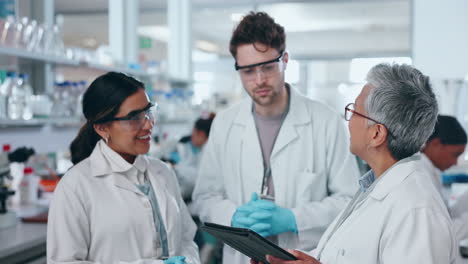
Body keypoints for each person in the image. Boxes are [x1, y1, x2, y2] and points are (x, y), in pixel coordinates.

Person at [192, 11, 360, 264]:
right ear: (237, 69)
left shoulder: (325, 121)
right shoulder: (225, 124)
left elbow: (350, 200)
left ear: (285, 60)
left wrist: (293, 218)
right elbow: (205, 197)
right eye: (248, 71)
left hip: (304, 256)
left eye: (268, 67)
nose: (259, 80)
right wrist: (233, 216)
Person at [259, 63, 456, 264]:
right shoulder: (373, 188)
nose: (349, 120)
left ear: (377, 133)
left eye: (354, 111)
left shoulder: (416, 211)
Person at [47, 72, 200, 264]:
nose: (149, 124)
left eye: (148, 111)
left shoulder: (163, 172)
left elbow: (186, 239)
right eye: (134, 117)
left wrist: (189, 261)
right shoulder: (76, 186)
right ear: (102, 127)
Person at [420, 115, 468, 244]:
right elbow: (440, 235)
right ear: (436, 144)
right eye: (455, 155)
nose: (455, 162)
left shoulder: (430, 169)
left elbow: (447, 214)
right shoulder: (420, 176)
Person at [166, 113, 215, 201]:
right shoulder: (182, 144)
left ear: (203, 135)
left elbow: (198, 177)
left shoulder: (208, 150)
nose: (192, 136)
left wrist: (176, 167)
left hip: (191, 194)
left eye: (195, 133)